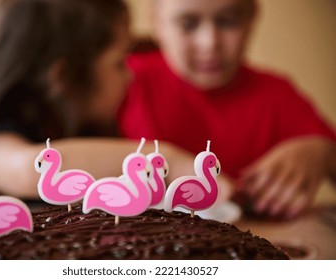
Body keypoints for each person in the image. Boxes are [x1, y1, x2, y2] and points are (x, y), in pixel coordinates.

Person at [0, 0, 199, 202]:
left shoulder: (87, 123)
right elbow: (28, 169)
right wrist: (168, 158)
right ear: (65, 76)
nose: (129, 75)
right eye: (119, 63)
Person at [118, 0, 336, 219]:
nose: (210, 43)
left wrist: (323, 152)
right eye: (188, 24)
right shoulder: (123, 79)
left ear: (251, 20)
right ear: (157, 23)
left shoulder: (277, 94)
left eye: (228, 22)